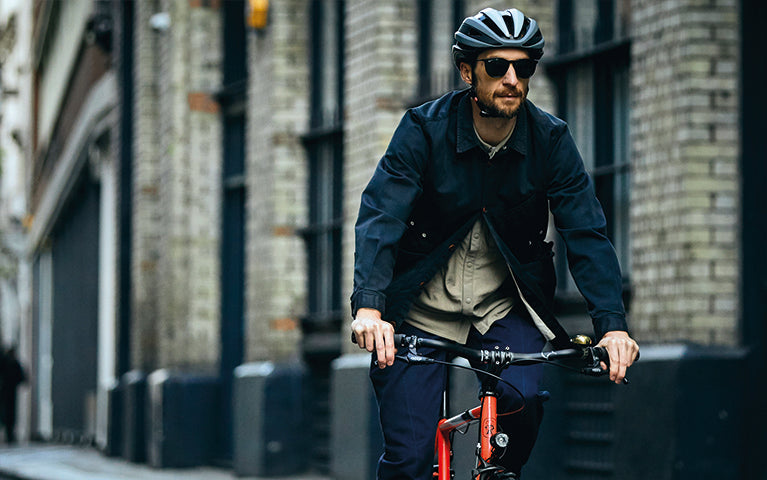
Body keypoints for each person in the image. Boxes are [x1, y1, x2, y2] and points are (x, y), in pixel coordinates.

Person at [350, 7, 639, 479]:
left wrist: (612, 326)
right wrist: (369, 307)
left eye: (523, 68)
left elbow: (585, 232)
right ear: (468, 72)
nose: (511, 79)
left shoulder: (550, 140)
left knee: (522, 402)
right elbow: (382, 216)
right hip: (420, 311)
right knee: (410, 458)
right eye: (497, 66)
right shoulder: (423, 130)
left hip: (503, 308)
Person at [0, 346, 26, 443]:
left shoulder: (7, 362)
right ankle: (9, 434)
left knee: (7, 412)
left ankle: (9, 434)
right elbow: (22, 377)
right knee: (9, 413)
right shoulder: (12, 362)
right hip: (8, 391)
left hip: (6, 390)